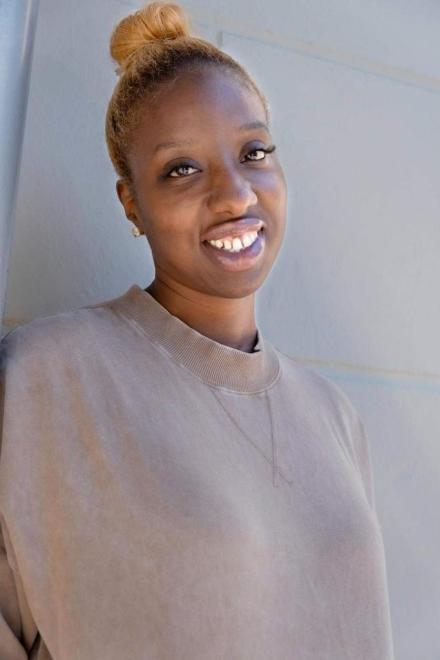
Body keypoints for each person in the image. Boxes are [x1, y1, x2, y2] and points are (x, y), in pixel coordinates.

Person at [0, 2, 395, 658]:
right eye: (182, 168)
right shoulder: (48, 376)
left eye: (253, 152)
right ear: (132, 203)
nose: (236, 194)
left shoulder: (334, 417)